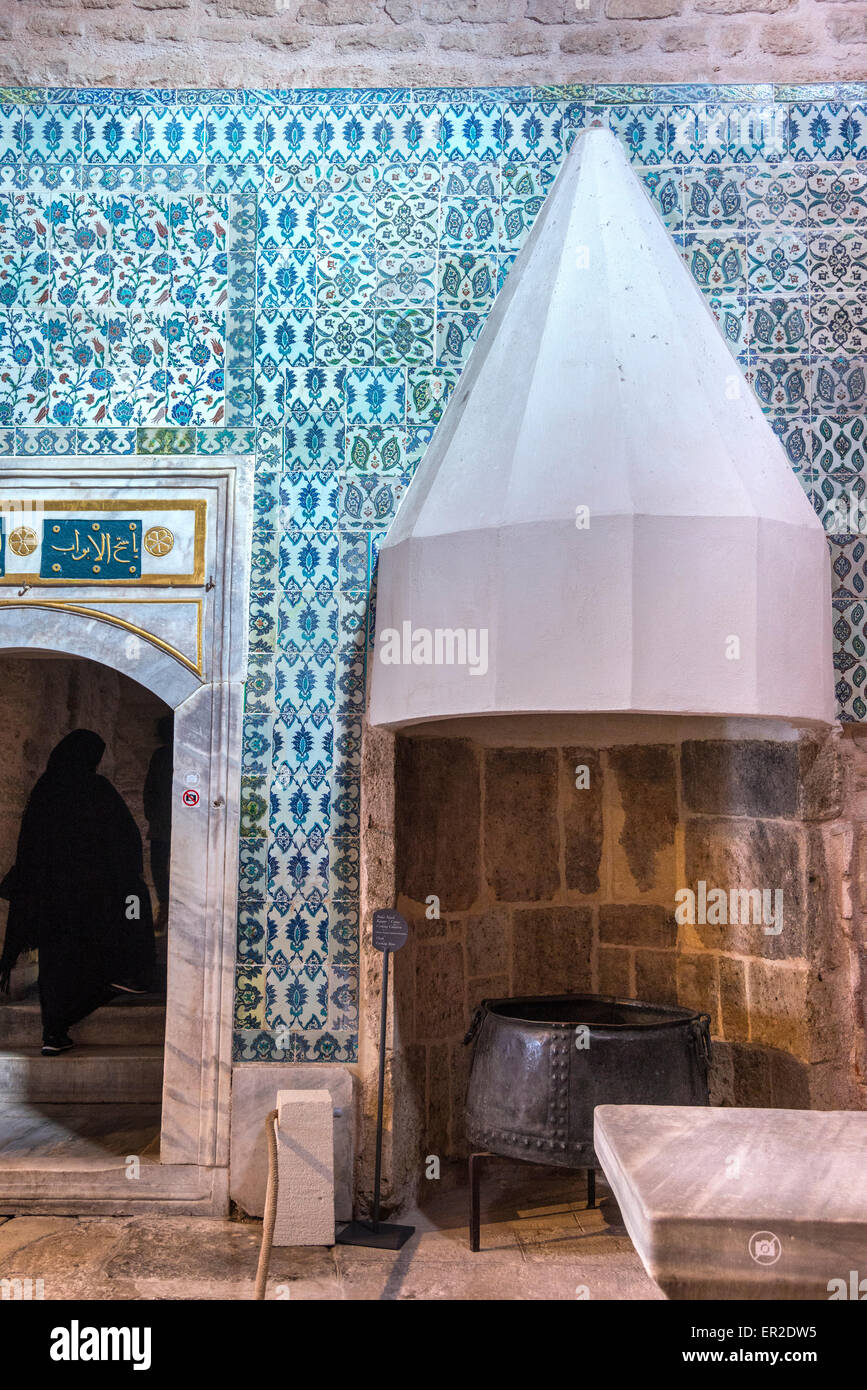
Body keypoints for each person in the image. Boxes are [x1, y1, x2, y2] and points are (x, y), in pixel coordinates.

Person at [0, 729, 155, 1056]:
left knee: (56, 965)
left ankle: (53, 1032)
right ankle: (87, 1004)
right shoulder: (96, 789)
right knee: (95, 958)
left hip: (51, 898)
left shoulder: (46, 789)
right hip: (91, 899)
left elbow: (30, 846)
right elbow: (125, 839)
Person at [143, 714, 173, 935]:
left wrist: (152, 816)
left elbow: (149, 791)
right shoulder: (166, 756)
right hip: (170, 822)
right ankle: (167, 907)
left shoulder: (161, 756)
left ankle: (165, 906)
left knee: (159, 866)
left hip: (162, 822)